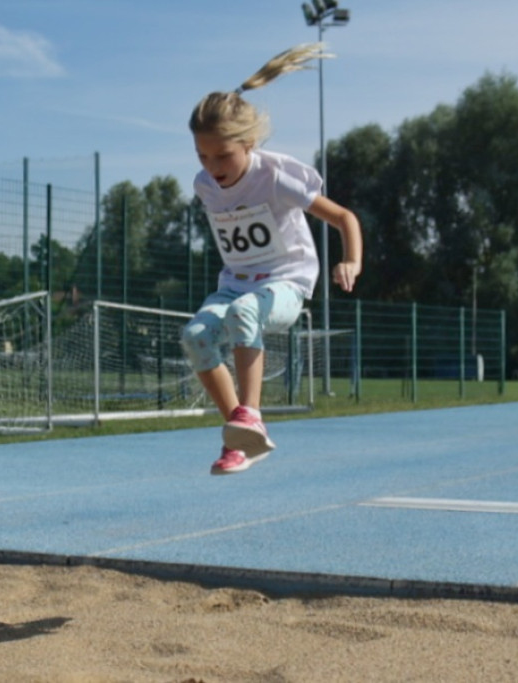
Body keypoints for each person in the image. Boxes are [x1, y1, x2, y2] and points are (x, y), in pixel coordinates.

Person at [180, 43, 363, 475]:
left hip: (285, 283)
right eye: (203, 156)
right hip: (236, 283)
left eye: (223, 155)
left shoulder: (275, 177)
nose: (213, 166)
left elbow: (343, 216)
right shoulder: (204, 185)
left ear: (250, 143)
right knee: (195, 336)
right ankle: (240, 438)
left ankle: (252, 413)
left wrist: (350, 260)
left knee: (246, 312)